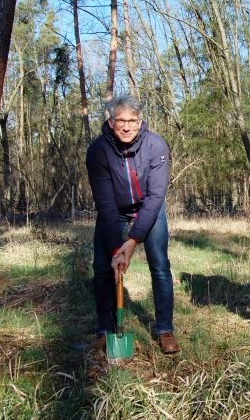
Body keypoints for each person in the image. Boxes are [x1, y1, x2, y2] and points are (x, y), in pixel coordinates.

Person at [86, 94, 179, 354]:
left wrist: (132, 240)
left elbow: (155, 196)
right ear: (110, 121)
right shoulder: (98, 151)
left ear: (140, 122)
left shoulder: (156, 146)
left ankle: (164, 329)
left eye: (132, 121)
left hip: (149, 209)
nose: (126, 126)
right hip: (113, 212)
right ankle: (106, 330)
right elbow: (104, 203)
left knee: (160, 266)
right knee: (103, 269)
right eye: (121, 121)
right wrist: (117, 248)